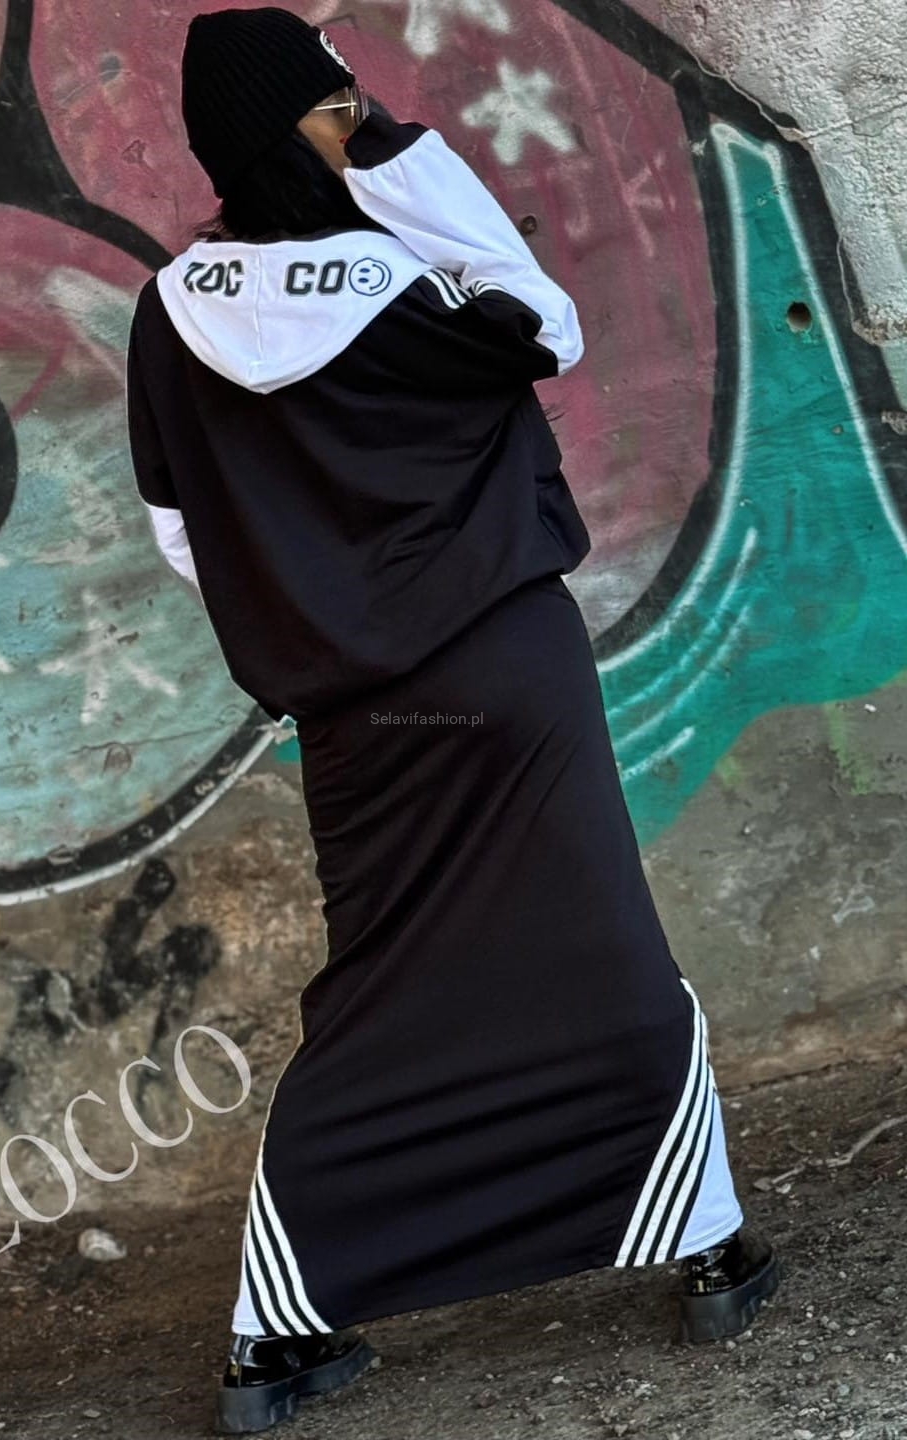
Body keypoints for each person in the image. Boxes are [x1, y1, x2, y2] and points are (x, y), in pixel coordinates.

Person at [125, 8, 781, 1433]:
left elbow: (182, 533)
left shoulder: (169, 313)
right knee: (599, 944)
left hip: (353, 714)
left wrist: (317, 612)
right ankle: (714, 1247)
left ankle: (273, 1339)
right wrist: (398, 154)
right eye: (336, 102)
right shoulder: (402, 280)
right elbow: (548, 324)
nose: (356, 113)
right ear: (305, 126)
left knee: (381, 985)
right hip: (505, 669)